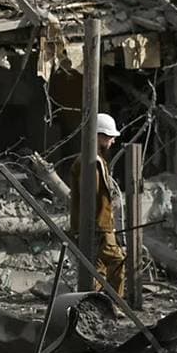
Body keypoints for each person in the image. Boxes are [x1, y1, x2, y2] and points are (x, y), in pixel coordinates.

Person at [71, 113, 126, 297]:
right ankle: (112, 305)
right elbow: (91, 197)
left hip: (98, 227)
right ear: (99, 136)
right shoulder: (90, 162)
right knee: (117, 262)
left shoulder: (94, 161)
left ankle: (95, 309)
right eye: (109, 137)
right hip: (98, 228)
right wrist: (98, 229)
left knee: (96, 272)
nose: (112, 142)